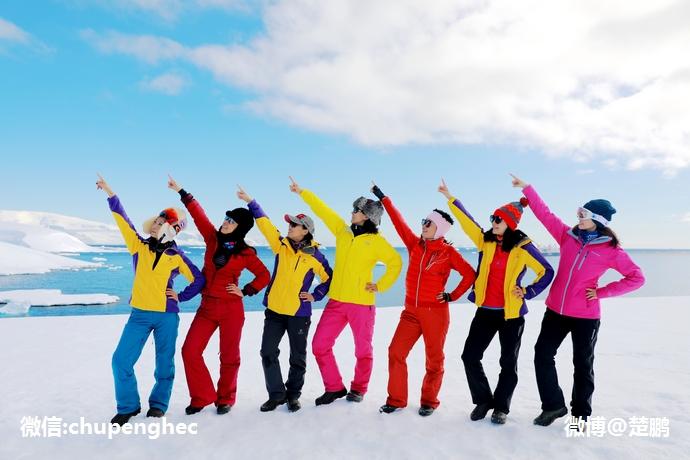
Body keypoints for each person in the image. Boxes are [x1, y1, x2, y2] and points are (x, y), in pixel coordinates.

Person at [511, 174, 645, 427]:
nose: (579, 218)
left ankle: (581, 415)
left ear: (596, 219)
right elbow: (545, 215)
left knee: (582, 364)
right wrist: (528, 189)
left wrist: (602, 292)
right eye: (580, 213)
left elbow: (636, 278)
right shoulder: (567, 236)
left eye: (584, 215)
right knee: (542, 355)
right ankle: (553, 406)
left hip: (586, 316)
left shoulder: (611, 251)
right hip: (556, 311)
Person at [439, 179, 554, 425]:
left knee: (507, 363)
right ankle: (483, 400)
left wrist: (529, 291)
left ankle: (501, 407)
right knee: (469, 356)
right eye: (492, 218)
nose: (493, 222)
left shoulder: (523, 246)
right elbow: (467, 222)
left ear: (509, 224)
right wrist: (450, 197)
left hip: (510, 315)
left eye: (498, 219)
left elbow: (546, 270)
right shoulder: (486, 240)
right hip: (485, 311)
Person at [96, 174, 204, 426]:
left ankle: (158, 405)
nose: (155, 224)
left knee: (164, 364)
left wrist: (181, 295)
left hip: (167, 316)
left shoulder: (177, 256)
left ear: (173, 228)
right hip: (139, 315)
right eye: (155, 221)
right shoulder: (138, 246)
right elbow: (124, 221)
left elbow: (198, 279)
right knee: (120, 360)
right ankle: (128, 407)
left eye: (161, 221)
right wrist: (110, 193)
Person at [291, 176, 403, 405]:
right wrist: (303, 193)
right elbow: (324, 211)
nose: (351, 212)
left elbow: (395, 263)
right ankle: (334, 387)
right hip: (337, 302)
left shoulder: (377, 242)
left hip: (362, 303)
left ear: (367, 216)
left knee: (363, 350)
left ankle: (359, 389)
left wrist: (380, 285)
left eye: (356, 209)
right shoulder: (343, 233)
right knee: (319, 346)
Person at [167, 176, 270, 415]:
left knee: (229, 356)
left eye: (231, 221)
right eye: (226, 218)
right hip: (207, 307)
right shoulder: (212, 238)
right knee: (190, 350)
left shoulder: (246, 253)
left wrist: (245, 290)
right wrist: (182, 191)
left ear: (240, 227)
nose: (225, 223)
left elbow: (264, 275)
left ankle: (225, 399)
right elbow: (198, 215)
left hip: (231, 309)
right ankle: (202, 395)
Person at [372, 183, 476, 417]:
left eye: (428, 223)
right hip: (410, 310)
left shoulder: (448, 253)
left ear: (439, 228)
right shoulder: (414, 244)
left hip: (435, 313)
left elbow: (470, 274)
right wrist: (384, 197)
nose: (423, 226)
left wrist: (452, 295)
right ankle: (396, 400)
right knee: (396, 351)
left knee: (434, 359)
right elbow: (400, 223)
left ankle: (429, 401)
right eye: (423, 222)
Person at [237, 185, 332, 413]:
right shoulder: (281, 246)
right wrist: (251, 201)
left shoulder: (316, 256)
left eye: (293, 225)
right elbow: (265, 223)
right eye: (289, 224)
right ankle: (277, 394)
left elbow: (329, 278)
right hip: (275, 311)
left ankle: (293, 395)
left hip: (299, 314)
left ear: (305, 230)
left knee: (297, 357)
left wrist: (315, 294)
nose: (288, 227)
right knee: (267, 352)